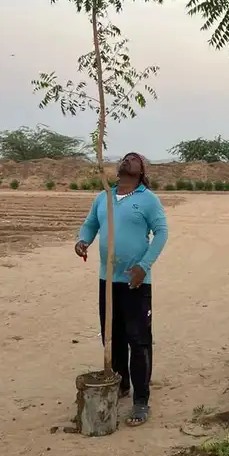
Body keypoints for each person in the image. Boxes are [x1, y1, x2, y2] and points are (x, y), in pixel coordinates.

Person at [74, 153, 168, 427]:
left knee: (138, 341)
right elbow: (91, 223)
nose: (127, 160)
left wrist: (144, 266)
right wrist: (83, 240)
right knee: (111, 337)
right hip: (107, 280)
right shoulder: (104, 196)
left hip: (136, 281)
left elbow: (161, 232)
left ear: (141, 172)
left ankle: (141, 399)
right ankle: (121, 383)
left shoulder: (147, 199)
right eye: (125, 158)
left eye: (134, 159)